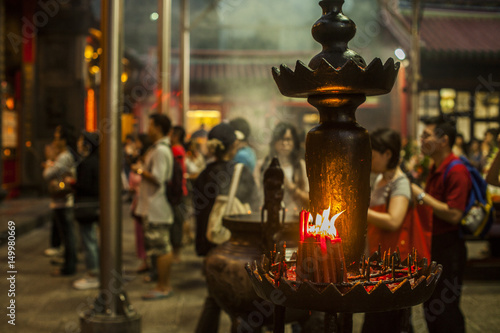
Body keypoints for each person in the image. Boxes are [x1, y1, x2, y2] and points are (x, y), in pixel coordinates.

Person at [193, 123, 258, 333]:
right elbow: (255, 205)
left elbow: (200, 214)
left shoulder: (204, 174)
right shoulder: (241, 172)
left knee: (214, 296)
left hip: (213, 244)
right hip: (240, 247)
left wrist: (203, 247)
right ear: (233, 147)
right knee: (243, 300)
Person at [410, 116, 471, 333]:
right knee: (432, 308)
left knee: (446, 311)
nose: (421, 140)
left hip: (449, 249)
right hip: (434, 246)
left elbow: (454, 214)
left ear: (443, 140)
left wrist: (420, 195)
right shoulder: (436, 167)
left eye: (426, 135)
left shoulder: (456, 170)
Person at [362, 128, 413, 333]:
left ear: (388, 154)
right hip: (378, 259)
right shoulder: (380, 179)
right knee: (376, 318)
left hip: (394, 263)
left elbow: (394, 221)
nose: (370, 160)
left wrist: (359, 212)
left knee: (392, 320)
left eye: (373, 155)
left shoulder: (399, 183)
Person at [132, 114, 175, 300]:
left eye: (150, 125)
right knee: (158, 247)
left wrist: (140, 171)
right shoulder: (158, 149)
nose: (147, 129)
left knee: (162, 247)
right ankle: (160, 283)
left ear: (157, 128)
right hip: (154, 206)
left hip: (157, 207)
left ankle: (163, 286)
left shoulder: (160, 151)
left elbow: (159, 177)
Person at [43, 125, 78, 276]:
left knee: (68, 234)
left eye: (57, 138)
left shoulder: (64, 156)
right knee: (65, 233)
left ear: (63, 140)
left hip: (64, 199)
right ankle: (67, 262)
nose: (54, 141)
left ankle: (69, 266)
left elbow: (48, 174)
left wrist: (49, 162)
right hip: (60, 199)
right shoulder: (64, 155)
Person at [254, 122, 308, 215]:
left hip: (294, 218)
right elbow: (255, 196)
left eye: (288, 139)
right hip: (268, 215)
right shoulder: (262, 165)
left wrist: (289, 185)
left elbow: (309, 198)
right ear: (274, 142)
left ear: (294, 142)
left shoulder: (300, 166)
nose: (284, 143)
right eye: (281, 139)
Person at [72, 131, 100, 289]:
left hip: (87, 206)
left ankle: (93, 273)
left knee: (89, 240)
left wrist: (73, 184)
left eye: (81, 141)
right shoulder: (99, 161)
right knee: (93, 239)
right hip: (96, 205)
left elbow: (86, 185)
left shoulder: (88, 163)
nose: (79, 145)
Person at [129, 133, 153, 274]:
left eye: (137, 141)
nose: (135, 144)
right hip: (137, 201)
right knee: (140, 233)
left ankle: (150, 261)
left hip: (146, 201)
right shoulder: (139, 158)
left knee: (147, 233)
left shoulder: (149, 158)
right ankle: (145, 260)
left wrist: (139, 171)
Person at [170, 125, 189, 262]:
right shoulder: (180, 149)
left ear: (176, 136)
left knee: (177, 221)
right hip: (181, 189)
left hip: (177, 191)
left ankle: (176, 253)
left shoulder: (175, 149)